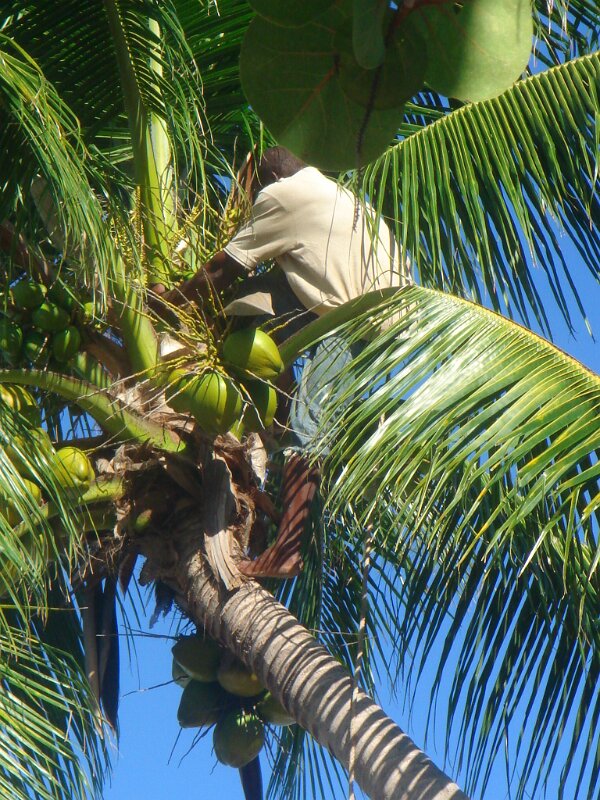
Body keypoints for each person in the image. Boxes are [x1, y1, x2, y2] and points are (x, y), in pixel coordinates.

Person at [151, 146, 411, 578]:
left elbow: (221, 269)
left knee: (309, 429)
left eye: (253, 192)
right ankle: (279, 416)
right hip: (382, 314)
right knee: (255, 298)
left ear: (267, 180)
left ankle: (287, 550)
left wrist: (171, 303)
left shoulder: (282, 196)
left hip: (358, 325)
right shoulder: (339, 197)